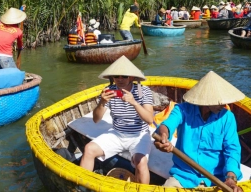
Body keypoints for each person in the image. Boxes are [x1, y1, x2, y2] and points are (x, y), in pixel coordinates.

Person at [154, 70, 244, 191]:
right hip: (184, 177)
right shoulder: (182, 110)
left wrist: (230, 178)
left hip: (216, 180)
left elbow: (232, 151)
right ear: (206, 100)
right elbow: (167, 125)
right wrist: (163, 136)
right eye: (220, 101)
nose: (224, 105)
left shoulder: (227, 118)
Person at [80, 55, 154, 184]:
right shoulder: (109, 92)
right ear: (112, 78)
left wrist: (134, 103)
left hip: (139, 134)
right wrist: (102, 102)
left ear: (131, 77)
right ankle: (81, 185)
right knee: (89, 149)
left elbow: (149, 119)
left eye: (124, 76)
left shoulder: (143, 91)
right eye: (116, 76)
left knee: (141, 162)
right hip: (117, 133)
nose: (120, 79)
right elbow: (96, 119)